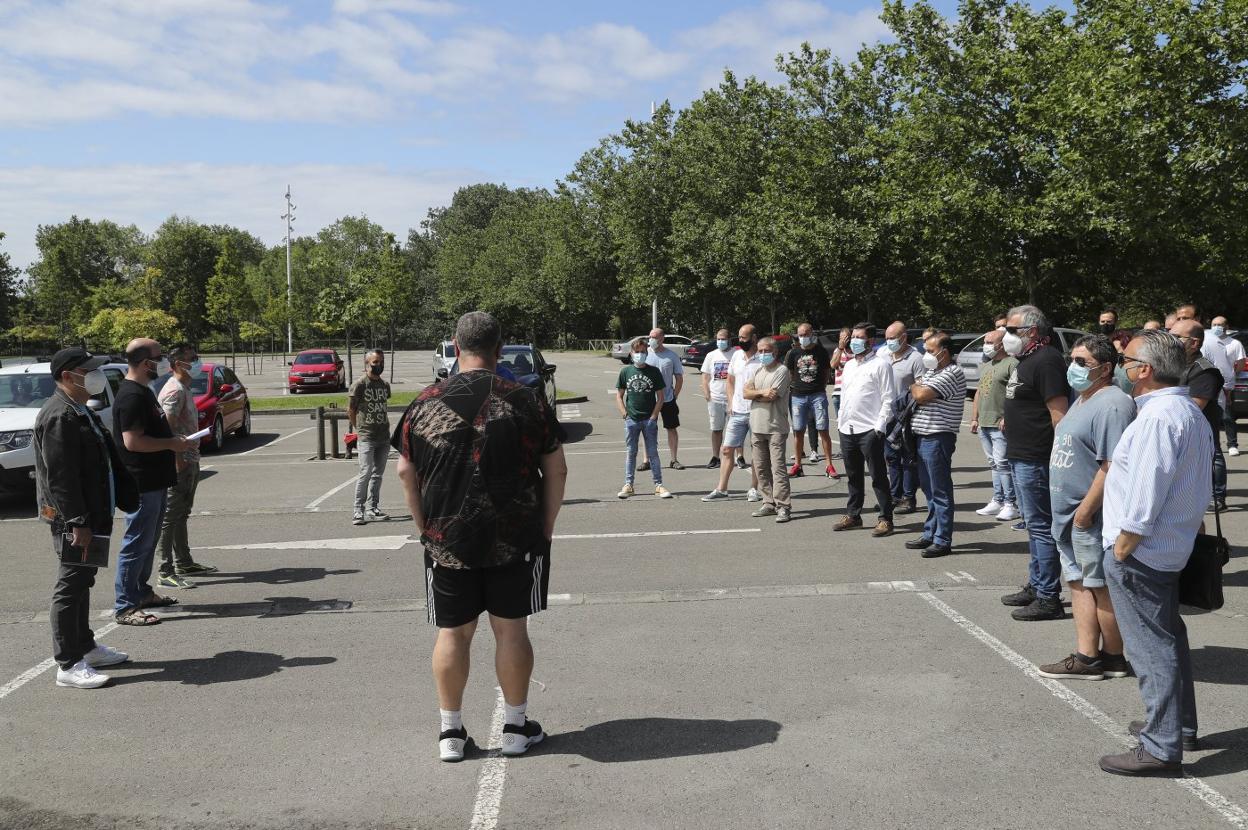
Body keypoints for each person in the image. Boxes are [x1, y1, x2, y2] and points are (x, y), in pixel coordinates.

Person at [393, 311, 567, 763]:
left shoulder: (425, 401)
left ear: (455, 344)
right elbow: (557, 468)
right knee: (512, 631)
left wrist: (423, 530)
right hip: (515, 538)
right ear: (500, 347)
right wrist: (544, 529)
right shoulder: (526, 400)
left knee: (453, 633)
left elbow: (404, 471)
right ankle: (514, 726)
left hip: (447, 541)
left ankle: (450, 732)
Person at [1098, 330, 1212, 776]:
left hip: (1143, 551)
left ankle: (1162, 746)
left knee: (1150, 650)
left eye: (1125, 360)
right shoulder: (1185, 411)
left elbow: (1146, 493)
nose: (1122, 367)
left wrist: (1123, 547)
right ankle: (1177, 726)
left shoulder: (1159, 418)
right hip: (1167, 548)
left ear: (1144, 370)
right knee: (1168, 639)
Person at [34, 348, 139, 689]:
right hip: (75, 520)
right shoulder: (59, 415)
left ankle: (86, 647)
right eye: (88, 370)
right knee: (71, 586)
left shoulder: (78, 409)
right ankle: (67, 663)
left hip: (92, 516)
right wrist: (78, 521)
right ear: (68, 375)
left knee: (83, 581)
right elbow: (60, 477)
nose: (95, 376)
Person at [1036, 336, 1135, 682]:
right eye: (1072, 359)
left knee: (1098, 585)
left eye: (1082, 362)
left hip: (1087, 515)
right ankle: (1090, 656)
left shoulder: (1113, 404)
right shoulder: (1084, 399)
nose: (1073, 367)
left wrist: (1085, 512)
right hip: (1070, 515)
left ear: (1105, 369)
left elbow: (1112, 465)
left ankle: (1110, 656)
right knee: (1079, 583)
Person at [113, 339, 194, 626]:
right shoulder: (131, 396)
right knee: (136, 543)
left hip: (155, 481)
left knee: (147, 542)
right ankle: (125, 605)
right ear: (146, 362)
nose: (164, 362)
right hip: (141, 483)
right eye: (160, 357)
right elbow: (132, 442)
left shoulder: (144, 391)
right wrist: (172, 444)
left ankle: (142, 593)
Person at [999, 306, 1070, 622]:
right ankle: (1037, 584)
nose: (1006, 335)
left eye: (1012, 330)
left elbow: (1060, 416)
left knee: (1042, 527)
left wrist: (1059, 460)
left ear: (1032, 331)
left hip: (1037, 458)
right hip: (1021, 455)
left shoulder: (1048, 360)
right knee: (1034, 525)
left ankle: (1048, 597)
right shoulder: (1025, 361)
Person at [155, 343, 216, 589]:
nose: (198, 362)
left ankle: (184, 561)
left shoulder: (184, 388)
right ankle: (165, 569)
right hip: (180, 462)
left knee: (182, 513)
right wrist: (176, 458)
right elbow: (167, 428)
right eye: (193, 358)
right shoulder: (174, 391)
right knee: (170, 517)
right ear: (179, 364)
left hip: (190, 459)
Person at [904, 331, 965, 557]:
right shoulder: (933, 371)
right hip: (922, 436)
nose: (925, 355)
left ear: (944, 352)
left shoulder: (952, 372)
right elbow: (918, 388)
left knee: (940, 491)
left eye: (930, 351)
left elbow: (920, 394)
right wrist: (916, 386)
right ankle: (930, 533)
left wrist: (915, 387)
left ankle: (942, 539)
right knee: (929, 489)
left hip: (938, 437)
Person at [834, 323, 895, 537]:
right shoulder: (850, 365)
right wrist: (841, 422)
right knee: (853, 476)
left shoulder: (881, 365)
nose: (854, 341)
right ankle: (854, 515)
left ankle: (886, 518)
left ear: (870, 341)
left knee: (878, 476)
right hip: (847, 429)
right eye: (853, 337)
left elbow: (889, 399)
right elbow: (845, 396)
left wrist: (879, 428)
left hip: (869, 429)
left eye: (859, 337)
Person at [1171, 319, 1227, 511]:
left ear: (1194, 343)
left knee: (1187, 510)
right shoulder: (1171, 367)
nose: (1170, 341)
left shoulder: (1205, 371)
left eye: (1176, 337)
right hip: (1173, 444)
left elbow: (1187, 412)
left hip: (1192, 446)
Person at [703, 324, 762, 502]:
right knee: (727, 449)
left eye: (744, 338)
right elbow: (730, 380)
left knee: (757, 451)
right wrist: (730, 402)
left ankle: (753, 489)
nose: (740, 341)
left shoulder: (762, 358)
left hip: (757, 412)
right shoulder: (736, 355)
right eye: (739, 337)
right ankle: (722, 489)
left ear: (753, 338)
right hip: (737, 412)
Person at [969, 329, 1018, 521]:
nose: (986, 345)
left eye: (990, 342)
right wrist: (975, 418)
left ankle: (1010, 503)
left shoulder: (1012, 364)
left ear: (1002, 344)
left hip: (1000, 423)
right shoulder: (987, 365)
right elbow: (979, 393)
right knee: (993, 464)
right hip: (985, 423)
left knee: (1003, 464)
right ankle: (997, 499)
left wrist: (1008, 416)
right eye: (986, 341)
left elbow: (1014, 393)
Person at [744, 337, 793, 523]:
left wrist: (756, 394)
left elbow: (772, 396)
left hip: (775, 427)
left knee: (778, 468)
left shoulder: (782, 371)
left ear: (775, 352)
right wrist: (761, 393)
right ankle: (768, 502)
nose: (763, 354)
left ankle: (783, 506)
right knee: (761, 467)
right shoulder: (758, 370)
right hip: (756, 426)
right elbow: (745, 393)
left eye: (767, 351)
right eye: (760, 351)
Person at [879, 321, 924, 513]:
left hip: (907, 417)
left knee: (908, 459)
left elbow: (921, 387)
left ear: (904, 337)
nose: (889, 342)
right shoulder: (883, 356)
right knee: (891, 458)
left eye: (892, 338)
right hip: (887, 416)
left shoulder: (916, 358)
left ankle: (908, 497)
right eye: (887, 338)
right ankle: (894, 496)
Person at [617, 338, 670, 499]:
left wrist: (654, 417)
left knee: (653, 453)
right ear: (631, 353)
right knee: (631, 452)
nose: (640, 355)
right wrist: (625, 414)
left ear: (647, 353)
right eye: (637, 352)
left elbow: (660, 397)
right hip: (632, 419)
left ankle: (659, 485)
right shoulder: (625, 372)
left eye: (643, 352)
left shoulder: (653, 371)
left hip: (649, 420)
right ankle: (628, 484)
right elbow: (619, 396)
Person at [785, 322, 837, 479]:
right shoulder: (793, 353)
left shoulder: (820, 351)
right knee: (798, 431)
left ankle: (829, 465)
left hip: (817, 395)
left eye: (806, 334)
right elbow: (790, 373)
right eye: (800, 335)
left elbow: (827, 371)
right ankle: (798, 465)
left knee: (823, 430)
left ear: (812, 334)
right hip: (798, 396)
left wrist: (820, 387)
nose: (803, 337)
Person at [349, 349, 393, 526]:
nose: (379, 365)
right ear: (367, 364)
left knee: (377, 474)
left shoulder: (384, 385)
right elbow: (351, 410)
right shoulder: (359, 384)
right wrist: (358, 430)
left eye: (381, 361)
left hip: (383, 436)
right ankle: (358, 510)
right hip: (366, 436)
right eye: (375, 362)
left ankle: (372, 508)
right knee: (365, 472)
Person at [639, 328, 685, 471]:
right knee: (647, 429)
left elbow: (679, 377)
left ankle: (674, 460)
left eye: (654, 337)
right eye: (650, 336)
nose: (651, 339)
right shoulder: (644, 354)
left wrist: (675, 395)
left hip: (667, 399)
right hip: (649, 399)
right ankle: (646, 460)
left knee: (671, 428)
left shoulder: (671, 356)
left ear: (662, 339)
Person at [700, 329, 741, 469]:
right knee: (716, 429)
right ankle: (716, 457)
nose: (720, 341)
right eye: (718, 339)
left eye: (723, 339)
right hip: (715, 398)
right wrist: (707, 394)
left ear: (730, 339)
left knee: (736, 429)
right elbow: (705, 377)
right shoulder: (711, 355)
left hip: (734, 399)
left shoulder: (737, 354)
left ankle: (739, 456)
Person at [1209, 315, 1244, 457]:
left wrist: (1231, 374)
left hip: (1227, 385)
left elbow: (1241, 363)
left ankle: (1232, 445)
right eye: (1214, 324)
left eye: (1220, 324)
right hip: (1209, 383)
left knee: (1228, 416)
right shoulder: (1208, 342)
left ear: (1226, 327)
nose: (1216, 327)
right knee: (1210, 416)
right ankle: (1212, 444)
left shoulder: (1234, 343)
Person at [829, 326, 852, 459]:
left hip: (852, 393)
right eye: (841, 338)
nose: (843, 340)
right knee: (841, 423)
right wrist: (840, 348)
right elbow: (833, 364)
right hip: (838, 393)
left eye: (846, 338)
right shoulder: (838, 351)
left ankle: (855, 448)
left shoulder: (856, 352)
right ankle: (844, 449)